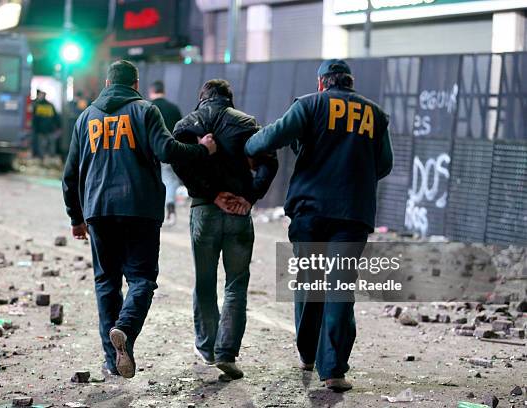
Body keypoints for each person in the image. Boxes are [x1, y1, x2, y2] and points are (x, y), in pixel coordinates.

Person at [244, 60, 393, 392]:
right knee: (341, 288)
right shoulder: (375, 114)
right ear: (350, 83)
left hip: (311, 211)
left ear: (322, 83)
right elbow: (383, 165)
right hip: (353, 214)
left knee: (309, 281)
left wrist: (248, 146)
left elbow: (270, 138)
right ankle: (334, 370)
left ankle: (307, 355)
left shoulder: (310, 103)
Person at [62, 60, 217, 379]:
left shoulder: (85, 117)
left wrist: (76, 217)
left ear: (107, 84)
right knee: (142, 279)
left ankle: (111, 360)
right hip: (140, 209)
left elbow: (70, 175)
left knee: (106, 283)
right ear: (135, 85)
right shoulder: (145, 111)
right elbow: (166, 150)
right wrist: (202, 151)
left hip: (98, 210)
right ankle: (125, 330)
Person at [172, 79, 278, 380]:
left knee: (205, 280)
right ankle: (227, 352)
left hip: (204, 211)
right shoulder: (247, 123)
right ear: (229, 99)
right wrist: (250, 196)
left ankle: (206, 347)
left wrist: (208, 193)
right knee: (236, 283)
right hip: (238, 213)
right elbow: (270, 162)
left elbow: (178, 162)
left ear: (201, 98)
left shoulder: (187, 124)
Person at [148, 80, 184, 226]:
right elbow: (181, 131)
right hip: (169, 151)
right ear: (164, 91)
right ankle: (170, 210)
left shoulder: (147, 108)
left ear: (151, 91)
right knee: (170, 181)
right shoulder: (174, 108)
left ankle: (152, 214)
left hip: (149, 152)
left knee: (150, 181)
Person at [32, 90, 60, 161]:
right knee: (51, 145)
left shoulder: (37, 105)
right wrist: (58, 126)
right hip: (50, 129)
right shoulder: (50, 105)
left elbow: (35, 118)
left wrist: (35, 128)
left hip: (41, 129)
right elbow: (56, 117)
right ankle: (51, 159)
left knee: (41, 146)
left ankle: (42, 159)